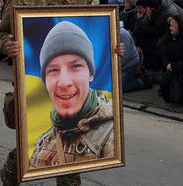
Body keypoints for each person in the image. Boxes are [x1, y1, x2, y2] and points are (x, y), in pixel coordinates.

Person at [0, 0, 113, 186]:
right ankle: (12, 173)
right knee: (32, 143)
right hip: (35, 85)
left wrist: (116, 48)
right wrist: (5, 47)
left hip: (74, 87)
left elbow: (103, 33)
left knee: (75, 137)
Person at [28, 20, 117, 170]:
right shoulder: (44, 140)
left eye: (75, 66)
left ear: (90, 74)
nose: (64, 83)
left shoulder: (112, 135)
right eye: (53, 70)